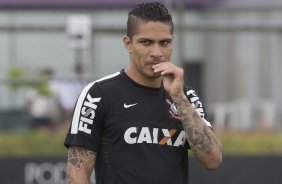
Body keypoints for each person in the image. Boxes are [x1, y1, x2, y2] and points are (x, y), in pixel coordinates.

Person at [64, 2, 222, 184]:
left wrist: (179, 98)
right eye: (146, 42)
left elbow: (212, 160)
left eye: (164, 43)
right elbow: (77, 177)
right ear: (128, 44)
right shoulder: (97, 95)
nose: (156, 52)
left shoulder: (187, 97)